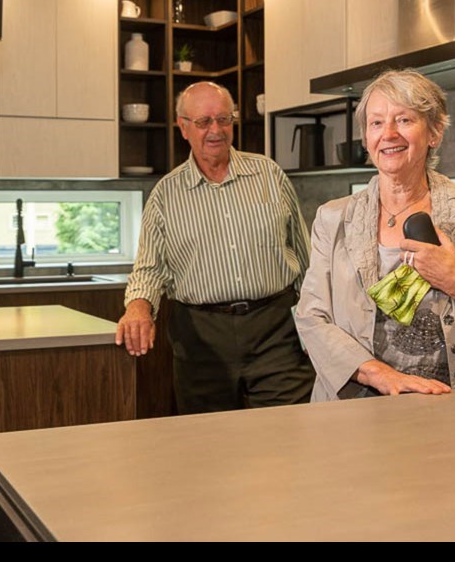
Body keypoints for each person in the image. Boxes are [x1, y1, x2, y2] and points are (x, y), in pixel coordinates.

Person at [294, 69, 455, 401]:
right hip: (356, 409)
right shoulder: (333, 218)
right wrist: (378, 374)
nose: (389, 134)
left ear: (434, 131)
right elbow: (311, 317)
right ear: (366, 137)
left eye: (404, 120)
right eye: (376, 123)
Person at [117, 81, 315, 414]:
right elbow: (149, 269)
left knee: (292, 431)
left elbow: (305, 256)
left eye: (224, 119)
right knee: (211, 446)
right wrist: (138, 308)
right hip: (201, 338)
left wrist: (318, 320)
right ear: (183, 127)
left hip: (277, 331)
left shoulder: (269, 175)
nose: (215, 130)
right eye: (203, 121)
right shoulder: (165, 195)